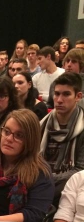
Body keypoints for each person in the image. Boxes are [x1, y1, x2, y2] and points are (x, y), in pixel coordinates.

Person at [39, 72, 84, 205]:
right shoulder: (42, 124)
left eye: (66, 94)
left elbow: (80, 170)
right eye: (57, 93)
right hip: (39, 181)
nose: (59, 100)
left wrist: (44, 180)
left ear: (78, 96)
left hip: (69, 188)